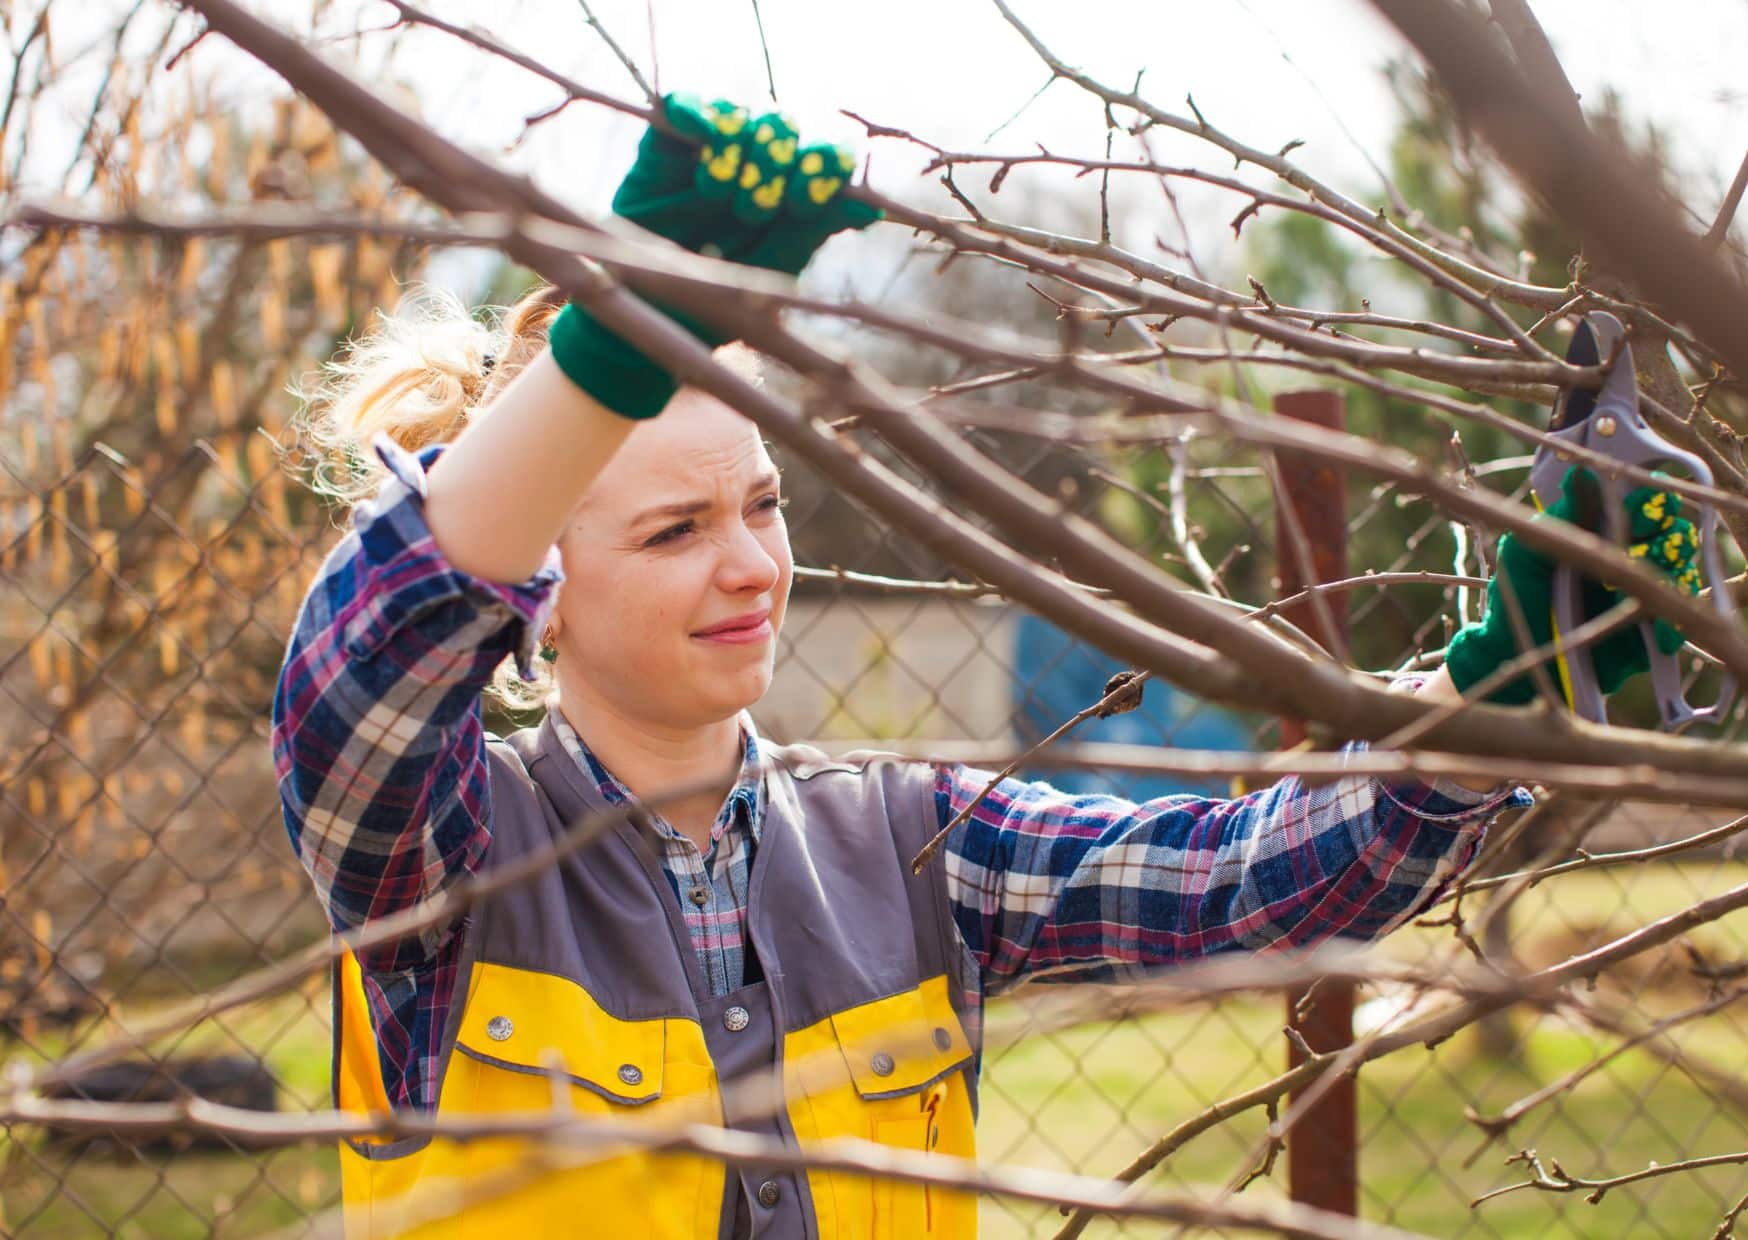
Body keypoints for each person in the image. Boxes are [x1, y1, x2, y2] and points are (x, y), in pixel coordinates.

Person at [272, 94, 1697, 1239]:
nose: (755, 565)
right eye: (674, 529)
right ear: (545, 601)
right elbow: (369, 665)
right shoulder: (443, 876)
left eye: (763, 504)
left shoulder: (913, 847)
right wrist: (613, 336)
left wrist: (1514, 687)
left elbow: (1255, 881)